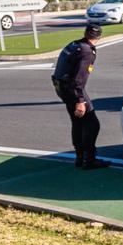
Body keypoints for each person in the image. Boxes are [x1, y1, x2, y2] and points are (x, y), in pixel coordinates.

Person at [51, 24, 109, 170]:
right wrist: (80, 101)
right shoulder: (87, 51)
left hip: (62, 88)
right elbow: (79, 79)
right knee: (92, 124)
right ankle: (89, 159)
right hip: (73, 90)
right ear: (99, 37)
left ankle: (79, 157)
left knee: (77, 122)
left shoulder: (74, 44)